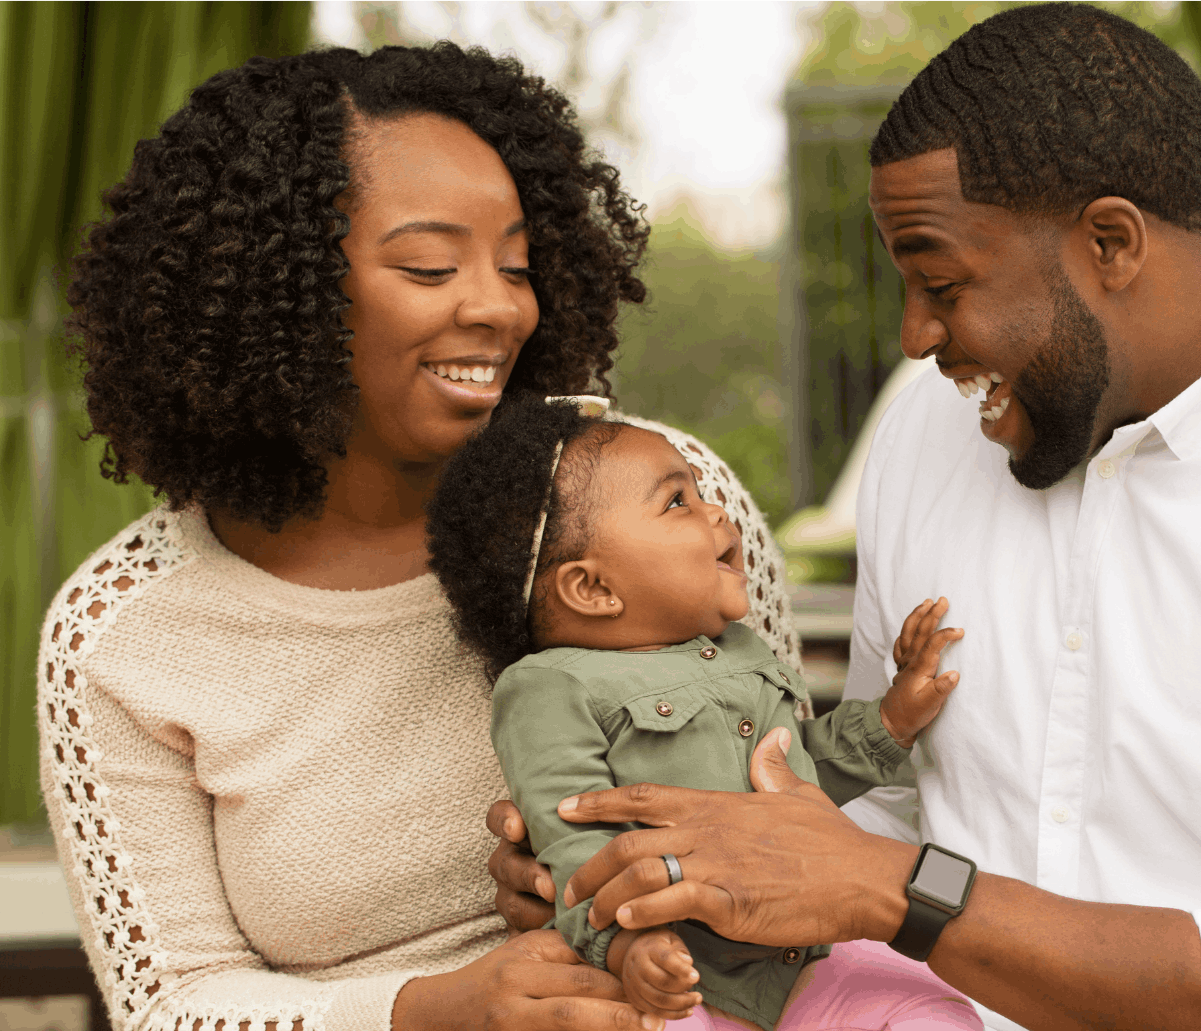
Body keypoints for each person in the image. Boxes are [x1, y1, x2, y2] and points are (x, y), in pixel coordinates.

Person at [497, 6, 1201, 1031]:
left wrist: (902, 890)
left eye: (942, 283)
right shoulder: (925, 433)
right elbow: (867, 813)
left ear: (1111, 242)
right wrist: (637, 869)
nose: (914, 338)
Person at [38, 42, 799, 1031]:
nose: (498, 305)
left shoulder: (665, 502)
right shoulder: (124, 632)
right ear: (276, 289)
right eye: (431, 266)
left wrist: (609, 882)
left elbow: (803, 812)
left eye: (517, 264)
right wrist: (434, 1007)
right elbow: (170, 1001)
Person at [422, 392, 978, 1031]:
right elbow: (573, 841)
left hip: (805, 959)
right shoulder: (549, 688)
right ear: (593, 588)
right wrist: (627, 947)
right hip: (674, 977)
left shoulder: (740, 649)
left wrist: (892, 720)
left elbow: (795, 777)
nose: (717, 512)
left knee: (930, 1011)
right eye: (676, 502)